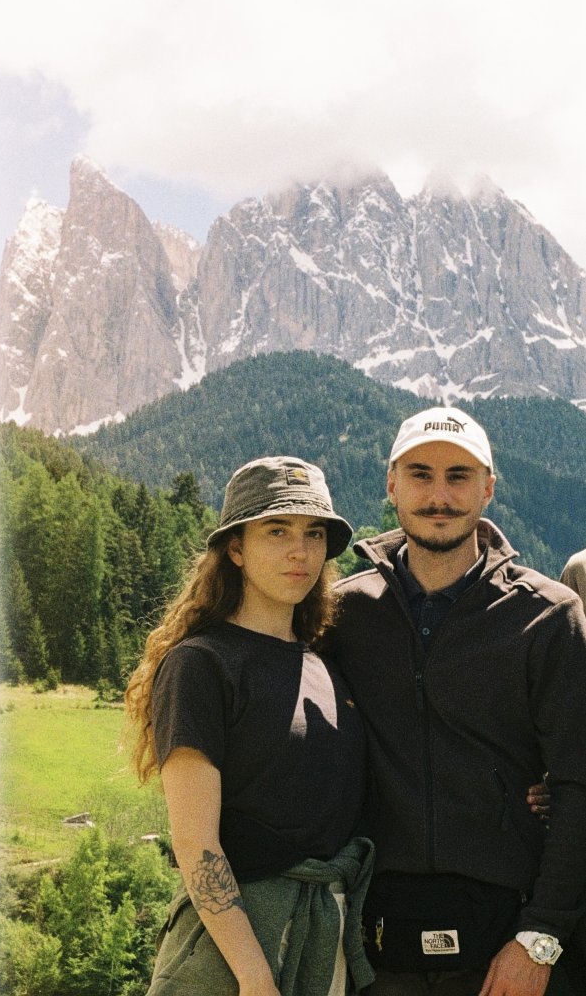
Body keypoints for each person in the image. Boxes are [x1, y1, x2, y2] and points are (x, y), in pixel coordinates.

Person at [322, 406, 586, 996]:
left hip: (511, 940)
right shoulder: (342, 614)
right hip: (376, 942)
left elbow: (578, 784)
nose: (439, 496)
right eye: (420, 474)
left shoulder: (547, 616)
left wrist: (541, 936)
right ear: (391, 484)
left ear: (488, 488)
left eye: (458, 476)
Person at [124, 455, 376, 996]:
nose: (299, 551)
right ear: (235, 549)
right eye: (277, 531)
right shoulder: (200, 664)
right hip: (234, 947)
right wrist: (254, 975)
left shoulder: (324, 663)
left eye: (314, 533)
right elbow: (196, 842)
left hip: (323, 932)